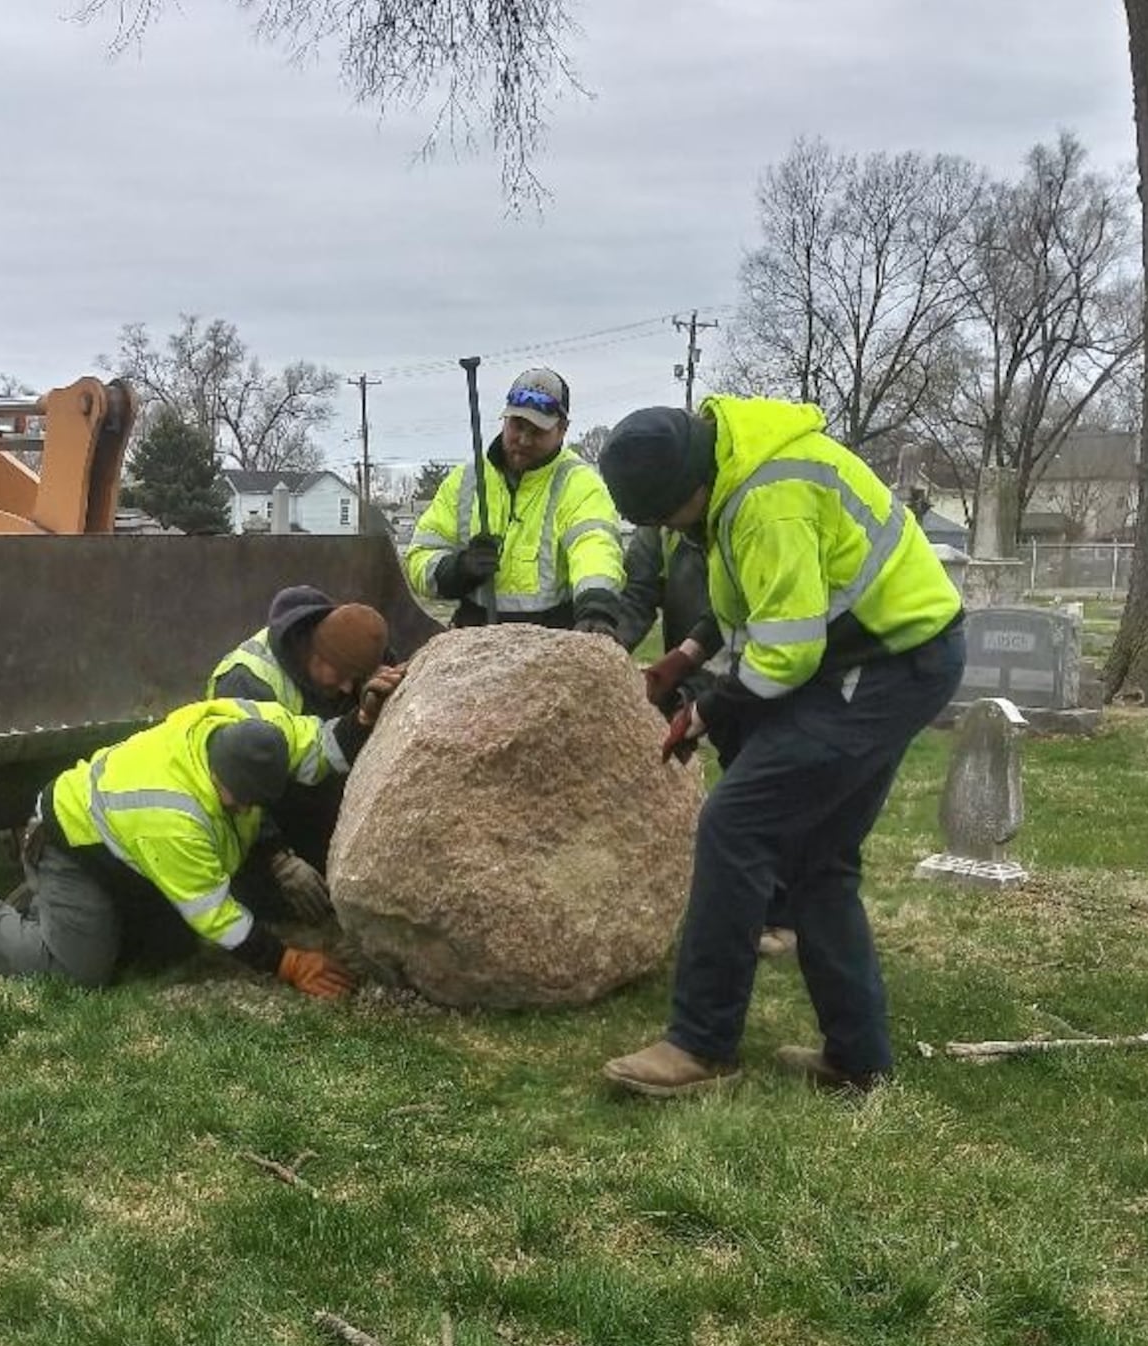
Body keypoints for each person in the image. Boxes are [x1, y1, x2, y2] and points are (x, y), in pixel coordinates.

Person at [597, 396, 966, 1098]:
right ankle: (859, 1058)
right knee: (818, 856)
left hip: (886, 663)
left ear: (688, 489)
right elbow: (756, 594)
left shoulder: (768, 497)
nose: (677, 532)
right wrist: (688, 651)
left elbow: (789, 652)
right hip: (884, 656)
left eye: (671, 518)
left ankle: (701, 1044)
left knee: (736, 824)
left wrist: (705, 709)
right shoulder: (739, 469)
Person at [0, 697, 382, 998]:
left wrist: (364, 718)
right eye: (236, 798)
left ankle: (53, 910)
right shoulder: (173, 814)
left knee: (168, 950)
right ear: (214, 773)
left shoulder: (261, 731)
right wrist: (288, 962)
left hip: (124, 851)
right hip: (69, 845)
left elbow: (322, 745)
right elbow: (214, 914)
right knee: (80, 974)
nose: (244, 809)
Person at [617, 523, 796, 960]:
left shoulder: (743, 518)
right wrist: (608, 645)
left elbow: (763, 613)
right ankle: (747, 910)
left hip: (766, 672)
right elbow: (648, 597)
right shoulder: (662, 532)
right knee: (735, 796)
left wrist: (698, 699)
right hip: (712, 674)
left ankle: (784, 916)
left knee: (762, 797)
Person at [206, 587, 404, 908]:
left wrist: (371, 704)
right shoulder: (246, 682)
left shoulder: (343, 647)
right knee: (268, 900)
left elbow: (326, 748)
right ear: (315, 654)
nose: (346, 687)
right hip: (256, 811)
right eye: (341, 675)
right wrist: (279, 860)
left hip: (314, 794)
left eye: (355, 679)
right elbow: (236, 789)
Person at [404, 367, 625, 636]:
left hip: (552, 639)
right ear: (504, 419)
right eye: (517, 426)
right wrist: (458, 570)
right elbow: (419, 558)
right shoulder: (466, 480)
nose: (523, 440)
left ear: (562, 429)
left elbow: (594, 548)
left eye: (537, 431)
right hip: (475, 638)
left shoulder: (580, 483)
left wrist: (596, 608)